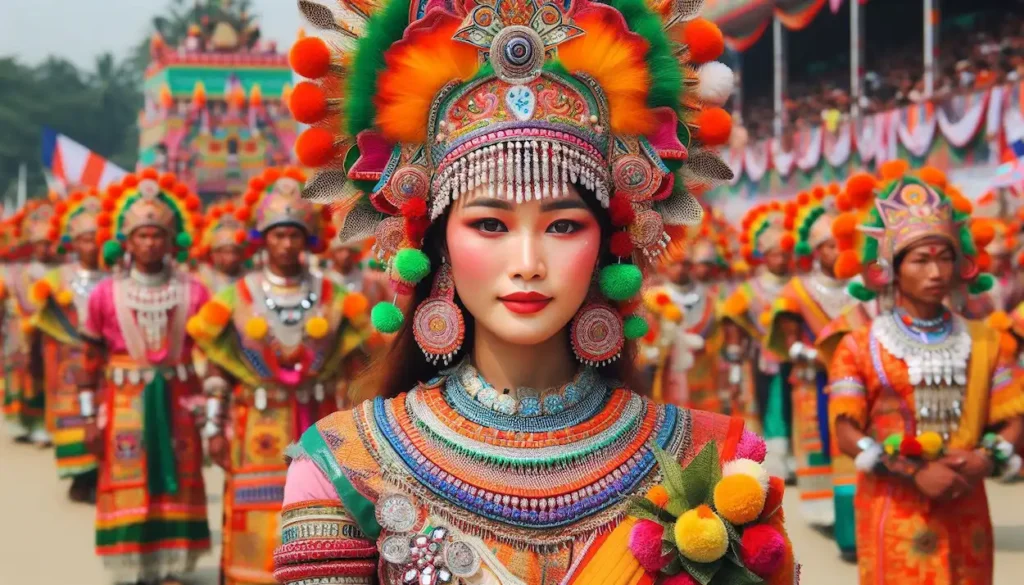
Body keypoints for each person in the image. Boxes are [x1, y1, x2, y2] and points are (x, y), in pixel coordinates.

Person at [271, 1, 798, 584]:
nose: (527, 264)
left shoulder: (715, 464)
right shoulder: (345, 467)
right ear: (437, 243)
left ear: (607, 245)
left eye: (564, 226)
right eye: (490, 225)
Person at [827, 169, 1024, 585]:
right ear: (892, 269)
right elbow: (845, 431)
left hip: (965, 501)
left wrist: (985, 458)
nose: (936, 272)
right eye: (921, 260)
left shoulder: (985, 339)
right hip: (893, 505)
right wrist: (913, 471)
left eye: (945, 257)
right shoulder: (860, 344)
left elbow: (1013, 418)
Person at [187, 166, 370, 585]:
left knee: (322, 515)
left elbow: (358, 366)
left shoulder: (336, 298)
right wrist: (215, 427)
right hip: (256, 426)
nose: (286, 244)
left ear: (308, 239)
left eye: (293, 234)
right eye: (277, 234)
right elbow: (217, 369)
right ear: (262, 239)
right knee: (255, 513)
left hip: (320, 417)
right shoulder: (235, 296)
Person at [79, 170, 211, 585]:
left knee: (178, 472)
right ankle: (132, 562)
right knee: (128, 472)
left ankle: (172, 562)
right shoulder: (104, 294)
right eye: (142, 235)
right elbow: (88, 358)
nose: (150, 242)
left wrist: (214, 412)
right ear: (126, 241)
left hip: (178, 398)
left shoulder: (195, 291)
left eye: (157, 235)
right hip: (123, 400)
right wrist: (87, 416)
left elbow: (215, 357)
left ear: (172, 241)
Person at [765, 185, 859, 539]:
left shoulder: (858, 289)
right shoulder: (797, 291)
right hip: (812, 382)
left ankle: (853, 519)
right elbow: (788, 342)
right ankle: (826, 513)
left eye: (843, 246)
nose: (838, 252)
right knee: (819, 443)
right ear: (818, 251)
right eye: (831, 246)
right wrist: (812, 354)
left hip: (854, 379)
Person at [28, 188, 107, 502]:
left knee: (103, 418)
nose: (92, 245)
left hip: (101, 363)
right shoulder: (56, 278)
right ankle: (78, 478)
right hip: (67, 364)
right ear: (74, 244)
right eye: (85, 240)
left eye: (96, 239)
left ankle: (98, 476)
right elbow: (39, 322)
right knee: (73, 420)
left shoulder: (113, 277)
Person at [720, 202, 793, 476]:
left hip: (795, 359)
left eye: (785, 254)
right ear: (764, 256)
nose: (781, 260)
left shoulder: (796, 286)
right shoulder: (750, 289)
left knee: (793, 407)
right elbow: (731, 321)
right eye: (775, 255)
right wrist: (735, 361)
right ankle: (774, 458)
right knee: (769, 405)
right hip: (761, 359)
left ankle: (793, 457)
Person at [643, 236, 727, 413]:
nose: (680, 269)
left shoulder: (710, 298)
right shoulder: (653, 298)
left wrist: (709, 349)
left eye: (685, 264)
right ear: (665, 267)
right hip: (667, 373)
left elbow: (718, 336)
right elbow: (646, 337)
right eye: (674, 264)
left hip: (701, 373)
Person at [1, 199, 59, 445]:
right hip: (21, 332)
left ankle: (49, 425)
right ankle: (27, 423)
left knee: (51, 377)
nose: (43, 249)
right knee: (23, 376)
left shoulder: (63, 269)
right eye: (38, 244)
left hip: (53, 333)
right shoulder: (18, 271)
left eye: (47, 244)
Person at [194, 199, 248, 294]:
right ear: (213, 253)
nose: (231, 258)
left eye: (235, 252)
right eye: (225, 252)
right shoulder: (201, 279)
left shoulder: (250, 279)